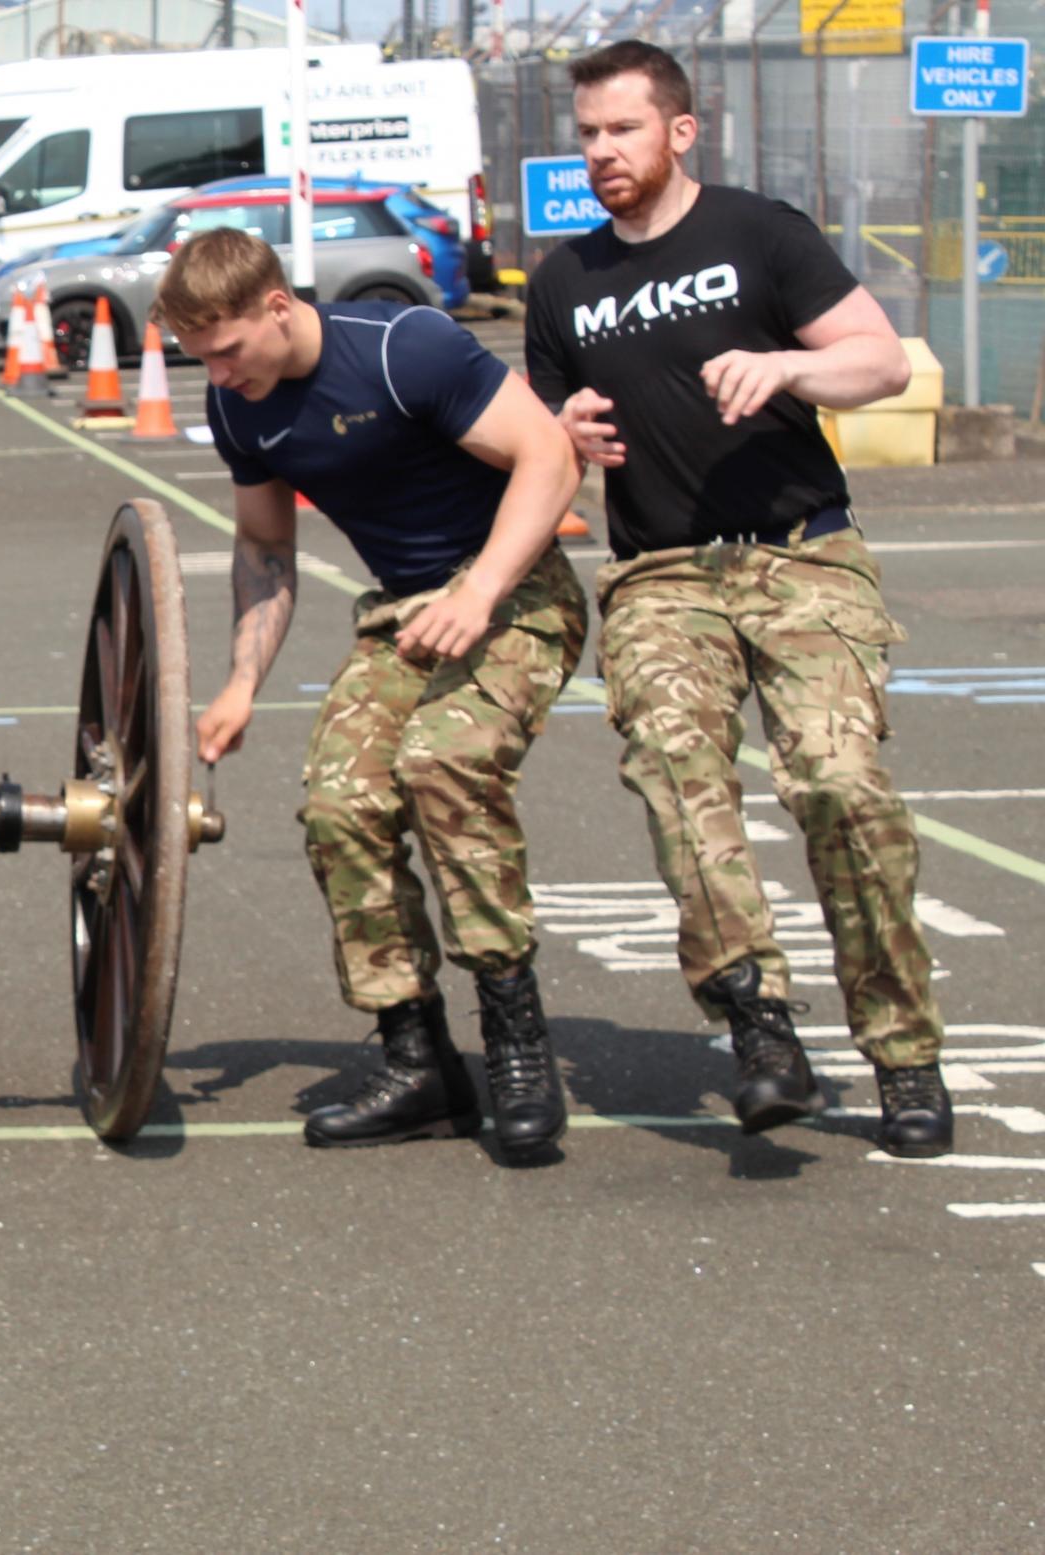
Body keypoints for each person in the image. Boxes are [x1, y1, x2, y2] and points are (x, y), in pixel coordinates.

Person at [526, 40, 949, 1158]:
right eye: (588, 135)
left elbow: (882, 360)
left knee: (840, 785)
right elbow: (536, 443)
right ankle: (757, 1021)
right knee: (677, 771)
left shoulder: (760, 233)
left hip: (802, 554)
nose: (602, 153)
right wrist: (556, 437)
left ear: (680, 128)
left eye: (622, 129)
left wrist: (790, 369)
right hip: (662, 574)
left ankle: (903, 1051)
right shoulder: (565, 280)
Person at [167, 229, 587, 1160]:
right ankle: (419, 1059)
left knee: (445, 764)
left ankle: (518, 1042)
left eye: (229, 350)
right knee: (338, 804)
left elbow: (551, 457)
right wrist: (241, 683)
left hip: (517, 593)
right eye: (200, 359)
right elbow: (266, 549)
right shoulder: (240, 407)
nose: (220, 375)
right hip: (404, 613)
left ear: (278, 306)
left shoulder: (405, 348)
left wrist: (479, 590)